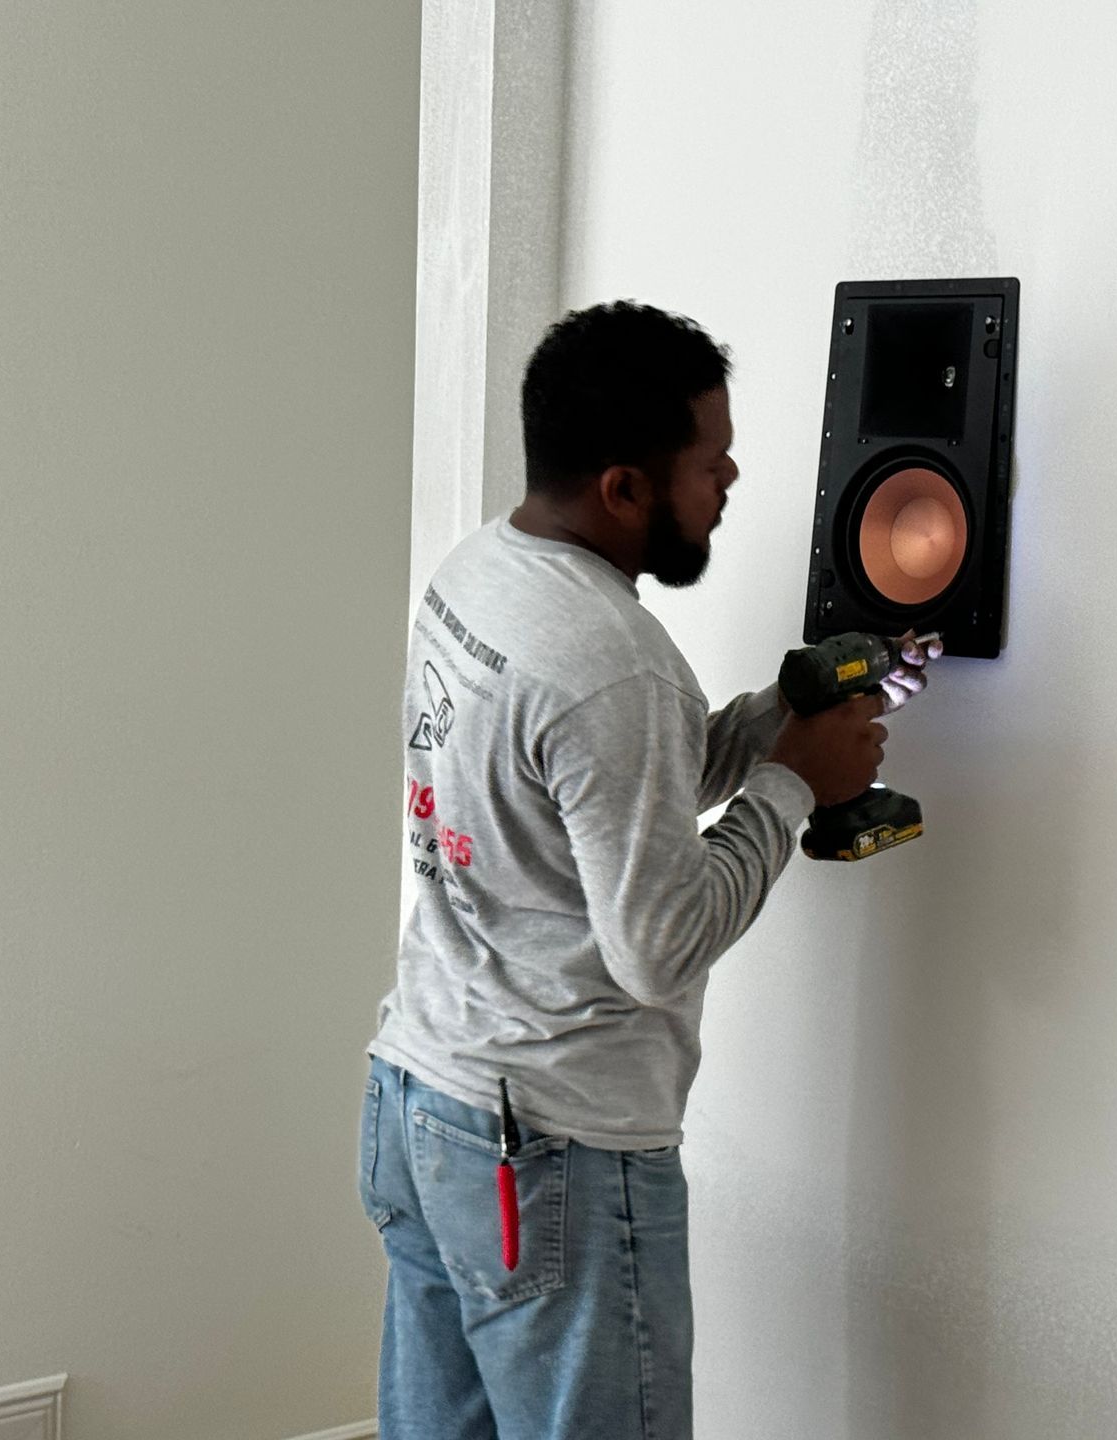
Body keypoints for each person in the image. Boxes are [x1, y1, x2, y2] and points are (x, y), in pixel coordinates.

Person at [360, 300, 940, 1439]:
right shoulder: (616, 667)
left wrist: (778, 715)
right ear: (625, 488)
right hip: (553, 1154)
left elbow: (581, 792)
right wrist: (793, 786)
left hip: (427, 1103)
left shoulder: (483, 571)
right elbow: (657, 946)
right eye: (708, 460)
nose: (730, 477)